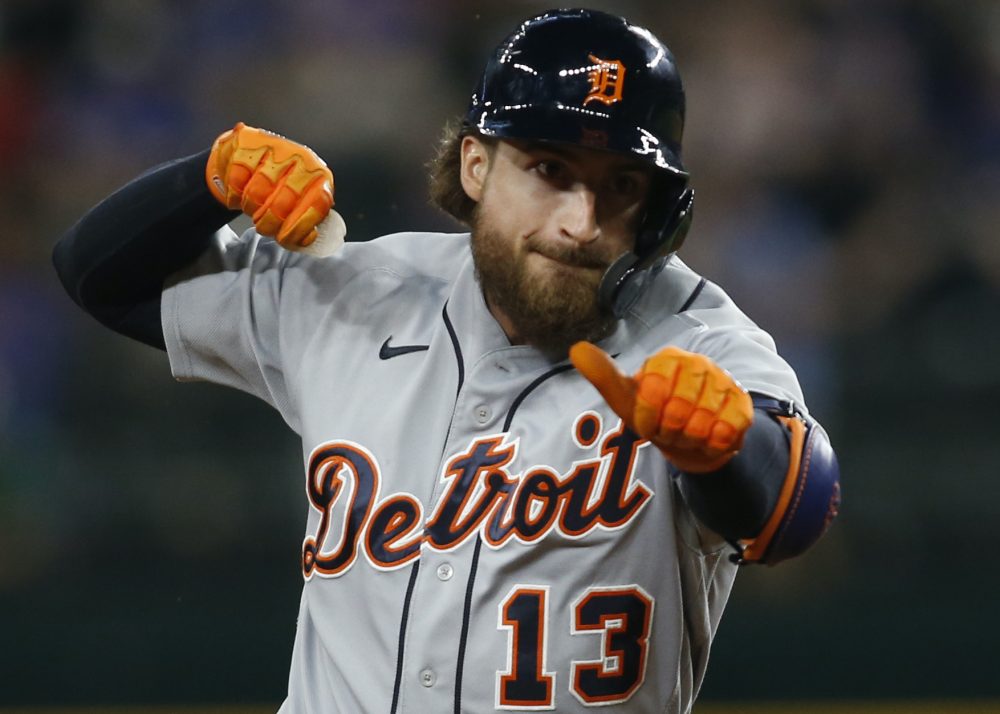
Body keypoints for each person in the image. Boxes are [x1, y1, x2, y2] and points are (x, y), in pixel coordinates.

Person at [53, 8, 840, 714]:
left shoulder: (697, 343)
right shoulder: (358, 294)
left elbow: (795, 508)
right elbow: (99, 278)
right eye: (550, 170)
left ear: (659, 212)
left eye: (622, 185)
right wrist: (208, 180)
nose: (580, 220)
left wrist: (723, 448)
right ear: (475, 165)